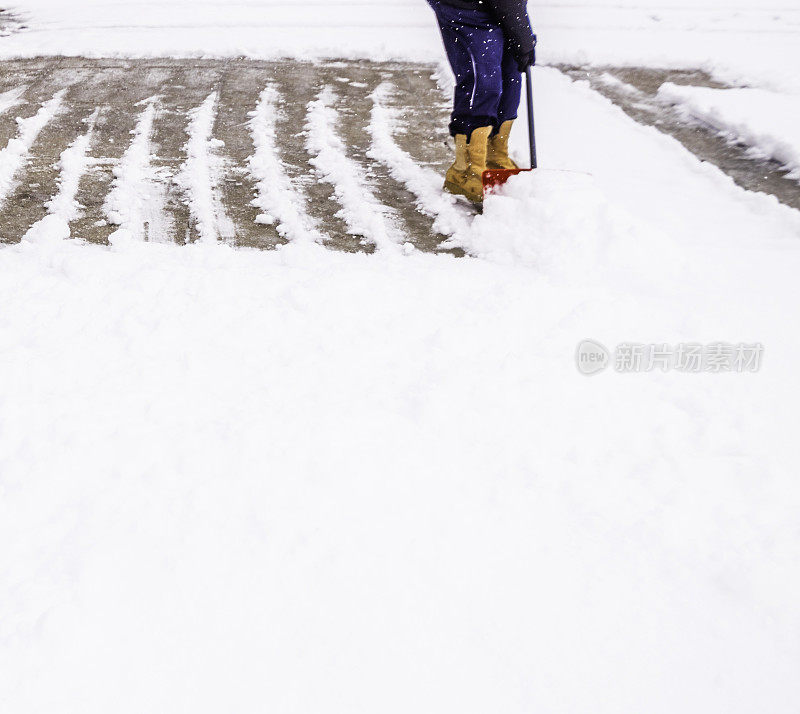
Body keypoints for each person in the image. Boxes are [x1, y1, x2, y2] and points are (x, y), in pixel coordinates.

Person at [427, 0, 536, 203]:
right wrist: (522, 36)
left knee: (511, 76)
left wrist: (521, 35)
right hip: (465, 8)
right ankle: (467, 168)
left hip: (496, 6)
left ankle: (494, 155)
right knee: (484, 81)